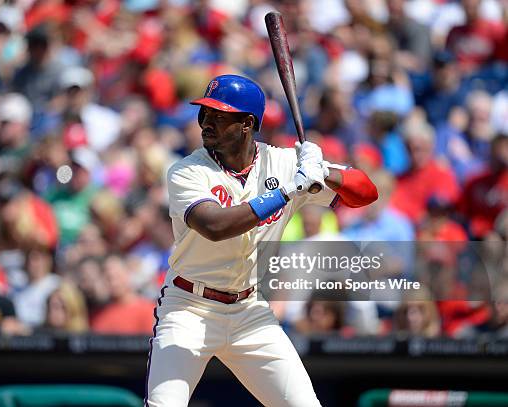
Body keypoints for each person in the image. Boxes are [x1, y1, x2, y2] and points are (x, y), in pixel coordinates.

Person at [145, 75, 378, 407]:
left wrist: (324, 172)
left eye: (219, 116)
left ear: (247, 124)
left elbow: (366, 193)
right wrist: (287, 191)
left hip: (249, 311)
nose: (206, 123)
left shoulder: (285, 163)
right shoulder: (187, 170)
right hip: (188, 309)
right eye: (204, 114)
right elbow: (214, 225)